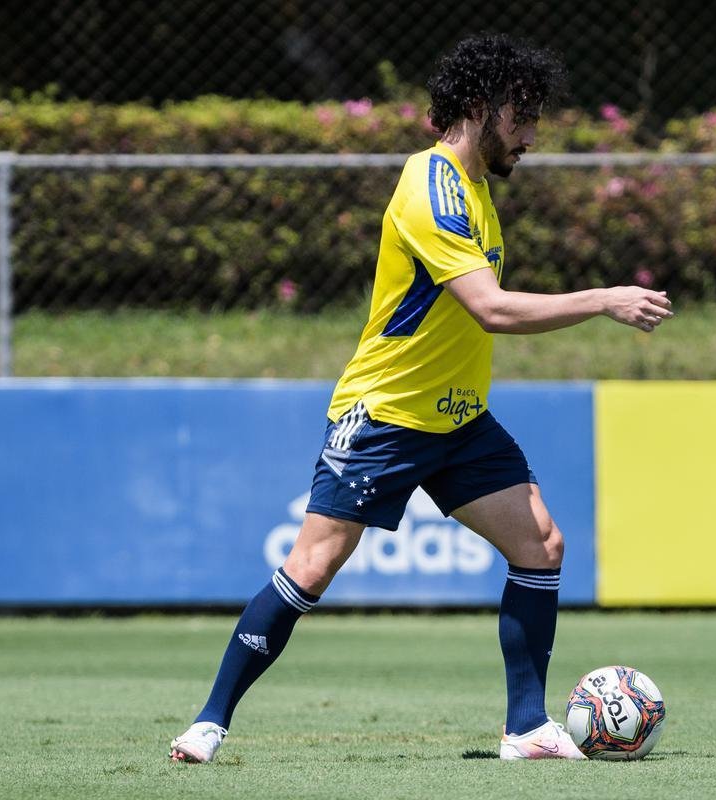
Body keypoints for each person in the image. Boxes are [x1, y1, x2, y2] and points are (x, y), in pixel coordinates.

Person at [169, 31, 673, 764]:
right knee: (312, 567)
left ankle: (527, 728)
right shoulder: (431, 189)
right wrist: (604, 299)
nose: (531, 137)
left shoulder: (477, 189)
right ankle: (209, 722)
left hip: (459, 418)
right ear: (480, 106)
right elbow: (492, 310)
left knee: (540, 544)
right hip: (386, 416)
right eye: (522, 117)